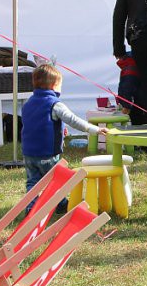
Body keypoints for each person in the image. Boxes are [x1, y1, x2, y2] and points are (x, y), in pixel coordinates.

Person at [22, 64, 104, 210]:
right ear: (54, 86)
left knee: (33, 182)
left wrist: (60, 128)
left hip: (28, 153)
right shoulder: (54, 103)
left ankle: (31, 208)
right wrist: (95, 129)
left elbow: (36, 123)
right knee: (55, 180)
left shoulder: (28, 103)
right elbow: (73, 119)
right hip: (47, 152)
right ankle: (60, 204)